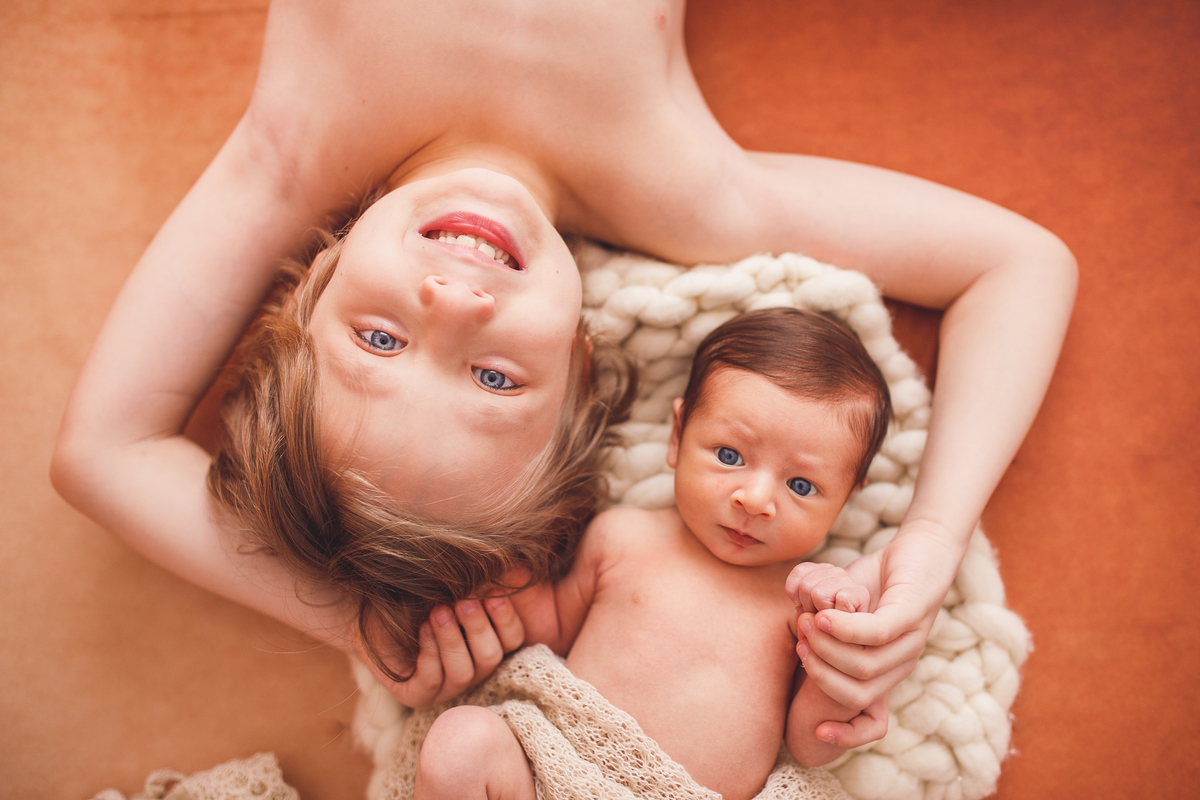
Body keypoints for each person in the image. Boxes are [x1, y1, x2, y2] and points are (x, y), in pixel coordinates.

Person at [50, 0, 1077, 736]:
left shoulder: (292, 151)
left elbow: (100, 451)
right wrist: (930, 544)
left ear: (314, 285)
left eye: (377, 340)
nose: (451, 299)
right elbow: (1022, 266)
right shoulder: (688, 196)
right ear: (584, 360)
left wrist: (368, 621)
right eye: (496, 378)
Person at [413, 308, 892, 800]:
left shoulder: (801, 605)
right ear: (677, 435)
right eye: (729, 456)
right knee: (460, 743)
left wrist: (836, 650)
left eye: (801, 484)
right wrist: (494, 564)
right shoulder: (623, 537)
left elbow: (811, 745)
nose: (755, 500)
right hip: (556, 775)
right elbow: (551, 629)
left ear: (847, 497)